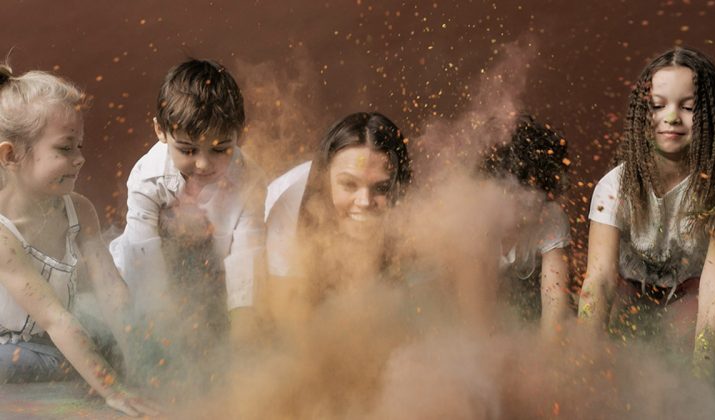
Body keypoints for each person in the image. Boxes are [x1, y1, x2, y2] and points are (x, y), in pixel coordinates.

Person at [578, 47, 715, 377]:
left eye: (688, 107)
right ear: (643, 114)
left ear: (710, 118)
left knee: (703, 351)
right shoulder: (615, 186)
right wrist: (583, 369)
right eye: (658, 106)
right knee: (618, 347)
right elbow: (598, 281)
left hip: (689, 295)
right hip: (630, 293)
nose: (671, 117)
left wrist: (700, 384)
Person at [0, 65, 157, 416]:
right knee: (67, 360)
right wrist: (113, 388)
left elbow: (112, 291)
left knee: (109, 343)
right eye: (65, 148)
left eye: (80, 146)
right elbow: (55, 318)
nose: (80, 158)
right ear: (10, 156)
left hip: (51, 341)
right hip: (7, 351)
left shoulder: (80, 211)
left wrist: (141, 352)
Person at [109, 59, 265, 356]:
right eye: (187, 150)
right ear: (160, 132)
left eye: (220, 150)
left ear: (240, 135)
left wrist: (243, 331)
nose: (204, 164)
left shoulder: (251, 180)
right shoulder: (147, 178)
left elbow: (247, 255)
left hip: (214, 282)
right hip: (148, 274)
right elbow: (143, 261)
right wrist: (164, 333)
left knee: (237, 341)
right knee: (132, 342)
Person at [264, 112, 411, 313]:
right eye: (349, 184)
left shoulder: (414, 211)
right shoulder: (287, 204)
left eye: (382, 188)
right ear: (324, 180)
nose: (365, 201)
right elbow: (288, 319)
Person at [478, 114, 573, 338]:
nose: (521, 202)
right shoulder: (477, 221)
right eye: (510, 191)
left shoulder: (550, 217)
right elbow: (476, 313)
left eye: (532, 191)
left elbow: (555, 303)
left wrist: (545, 363)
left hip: (528, 312)